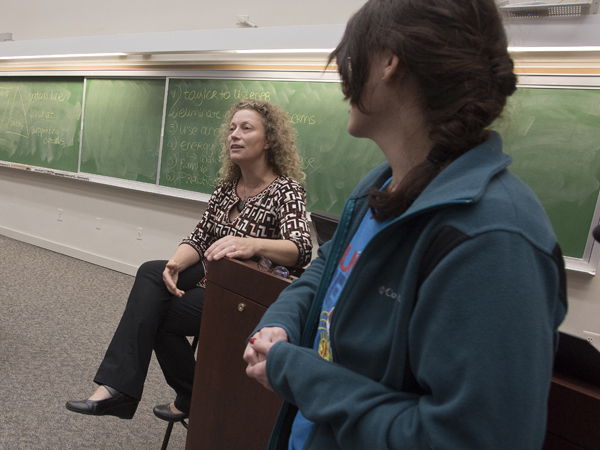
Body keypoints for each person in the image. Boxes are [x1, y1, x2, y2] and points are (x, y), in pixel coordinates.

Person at [243, 1, 567, 449]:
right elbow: (327, 271)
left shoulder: (494, 238)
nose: (343, 77)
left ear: (389, 62)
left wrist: (296, 371)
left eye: (351, 59)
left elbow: (464, 439)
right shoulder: (382, 186)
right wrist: (281, 324)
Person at [66, 99, 312, 422]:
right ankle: (122, 388)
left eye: (246, 128)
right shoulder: (226, 189)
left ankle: (181, 392)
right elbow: (198, 239)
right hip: (213, 284)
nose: (234, 135)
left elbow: (301, 248)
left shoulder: (286, 190)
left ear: (269, 141)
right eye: (232, 128)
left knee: (152, 313)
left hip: (249, 297)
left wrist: (251, 244)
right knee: (152, 276)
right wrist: (175, 264)